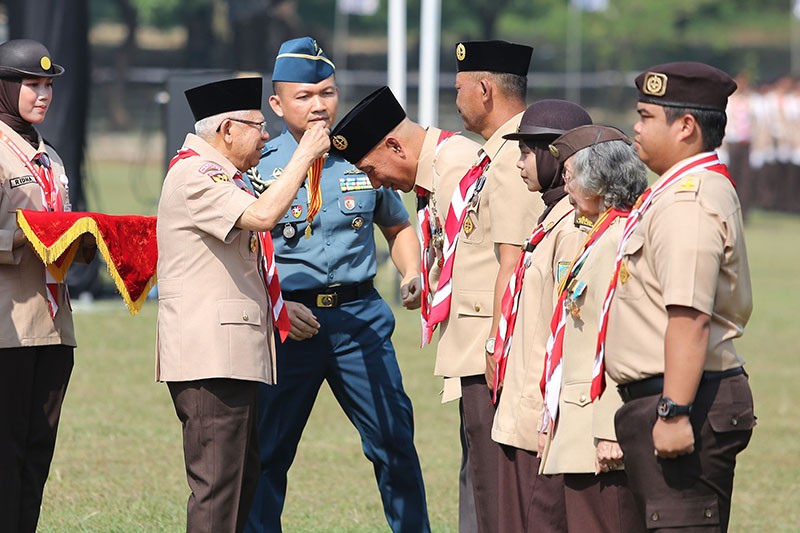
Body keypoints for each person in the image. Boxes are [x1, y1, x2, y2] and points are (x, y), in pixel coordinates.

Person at [244, 38, 429, 533]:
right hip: (289, 325)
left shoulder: (361, 155)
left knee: (394, 442)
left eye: (327, 92)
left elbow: (397, 225)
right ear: (277, 104)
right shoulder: (257, 164)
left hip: (359, 320)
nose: (319, 105)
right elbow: (242, 252)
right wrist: (276, 307)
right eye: (304, 96)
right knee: (266, 453)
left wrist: (411, 273)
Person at [156, 76, 330, 532]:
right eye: (258, 125)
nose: (267, 135)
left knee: (239, 484)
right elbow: (262, 216)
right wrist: (305, 155)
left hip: (232, 355)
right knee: (218, 492)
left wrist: (276, 308)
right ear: (228, 130)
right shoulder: (197, 173)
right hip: (212, 360)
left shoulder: (221, 174)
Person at [599, 62, 755, 531]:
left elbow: (689, 318)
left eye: (646, 116)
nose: (636, 126)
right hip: (670, 397)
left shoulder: (688, 201)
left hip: (684, 401)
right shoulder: (676, 192)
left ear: (686, 126)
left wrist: (673, 412)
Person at [441, 39, 542, 532]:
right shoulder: (501, 150)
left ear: (484, 89)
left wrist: (497, 344)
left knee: (493, 490)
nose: (454, 98)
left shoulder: (517, 155)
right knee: (480, 481)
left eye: (459, 88)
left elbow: (514, 261)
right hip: (485, 345)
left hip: (493, 351)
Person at [0, 38, 95, 533]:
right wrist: (27, 236)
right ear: (4, 87)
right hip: (8, 329)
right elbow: (22, 234)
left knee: (37, 455)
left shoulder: (50, 156)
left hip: (55, 327)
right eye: (31, 84)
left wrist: (85, 242)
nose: (43, 94)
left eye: (48, 85)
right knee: (6, 455)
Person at [489, 100, 593, 532]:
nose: (519, 164)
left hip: (542, 416)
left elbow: (571, 331)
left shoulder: (573, 229)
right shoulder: (552, 217)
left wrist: (550, 412)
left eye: (528, 152)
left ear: (558, 153)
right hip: (523, 410)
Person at [538, 125, 647, 532]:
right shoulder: (598, 234)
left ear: (598, 181)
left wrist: (609, 428)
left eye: (570, 174)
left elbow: (621, 338)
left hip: (601, 429)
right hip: (580, 423)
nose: (564, 184)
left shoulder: (620, 239)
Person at [328, 85, 480, 331]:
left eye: (370, 170)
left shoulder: (454, 167)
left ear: (395, 147)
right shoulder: (434, 171)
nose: (375, 184)